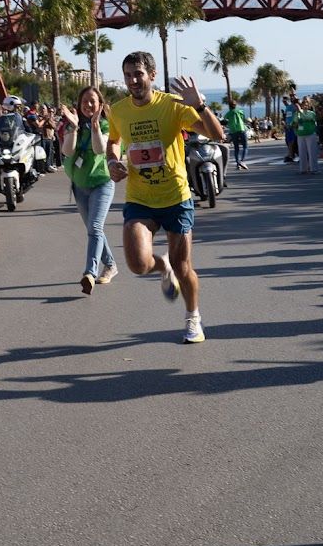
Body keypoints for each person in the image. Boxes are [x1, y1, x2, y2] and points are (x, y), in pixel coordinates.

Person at [106, 52, 225, 344]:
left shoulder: (172, 105)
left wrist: (200, 105)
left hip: (175, 197)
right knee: (137, 264)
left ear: (152, 75)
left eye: (138, 74)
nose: (133, 80)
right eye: (128, 75)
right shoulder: (119, 110)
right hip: (139, 197)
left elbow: (217, 134)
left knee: (184, 267)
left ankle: (193, 318)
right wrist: (112, 162)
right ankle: (163, 267)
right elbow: (113, 141)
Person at [60, 86, 118, 295]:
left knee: (94, 227)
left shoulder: (105, 124)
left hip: (102, 183)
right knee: (95, 231)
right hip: (80, 185)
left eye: (93, 101)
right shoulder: (72, 126)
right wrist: (74, 128)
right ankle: (111, 265)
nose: (88, 105)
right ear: (79, 104)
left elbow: (100, 149)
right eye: (85, 101)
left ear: (100, 104)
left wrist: (94, 128)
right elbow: (67, 151)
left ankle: (89, 273)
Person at [293, 98, 318, 174]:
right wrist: (295, 130)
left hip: (310, 134)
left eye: (306, 104)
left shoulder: (311, 113)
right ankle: (303, 169)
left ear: (309, 105)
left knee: (312, 152)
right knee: (301, 152)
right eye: (303, 104)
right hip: (300, 134)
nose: (305, 106)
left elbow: (308, 118)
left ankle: (313, 169)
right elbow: (294, 123)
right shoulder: (296, 114)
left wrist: (300, 111)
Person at [223, 99, 250, 169]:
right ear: (235, 105)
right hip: (241, 129)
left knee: (236, 148)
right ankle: (242, 161)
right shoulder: (240, 111)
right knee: (245, 146)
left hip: (233, 131)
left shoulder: (228, 113)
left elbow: (225, 119)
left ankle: (238, 164)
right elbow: (243, 118)